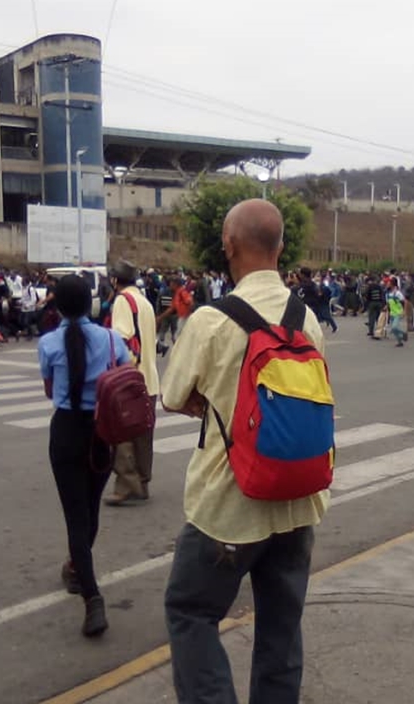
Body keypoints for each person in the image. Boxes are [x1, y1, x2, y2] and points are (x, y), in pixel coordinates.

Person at [160, 199, 327, 703]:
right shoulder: (308, 319)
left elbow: (171, 395)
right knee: (281, 628)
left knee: (190, 612)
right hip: (299, 501)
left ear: (229, 244)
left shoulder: (212, 321)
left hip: (230, 505)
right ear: (280, 246)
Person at [40, 275, 129, 637]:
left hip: (65, 432)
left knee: (76, 517)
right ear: (91, 304)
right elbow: (125, 377)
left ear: (57, 306)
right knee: (90, 512)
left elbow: (49, 390)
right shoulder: (111, 340)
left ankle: (91, 595)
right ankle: (78, 569)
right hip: (101, 433)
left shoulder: (48, 343)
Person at [105, 260, 159, 506]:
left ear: (116, 280)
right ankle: (143, 482)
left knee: (123, 433)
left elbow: (122, 338)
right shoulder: (145, 302)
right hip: (149, 378)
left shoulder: (122, 301)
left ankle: (127, 485)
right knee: (143, 434)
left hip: (130, 380)